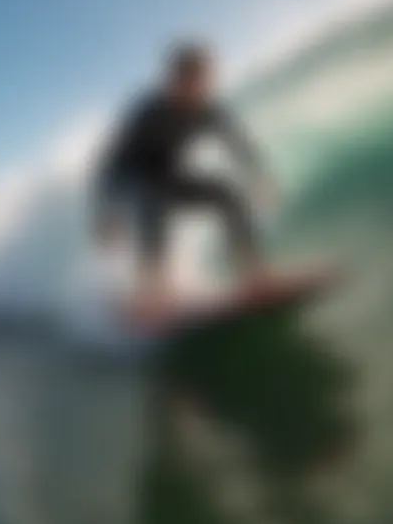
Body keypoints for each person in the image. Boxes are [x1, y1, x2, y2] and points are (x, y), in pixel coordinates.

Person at [91, 41, 274, 320]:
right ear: (173, 80)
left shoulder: (209, 111)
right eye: (188, 80)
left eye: (202, 80)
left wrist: (258, 177)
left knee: (227, 194)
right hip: (132, 180)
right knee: (154, 203)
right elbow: (111, 165)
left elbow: (239, 145)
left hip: (170, 175)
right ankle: (151, 290)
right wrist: (107, 214)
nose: (196, 88)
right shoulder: (149, 111)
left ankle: (253, 275)